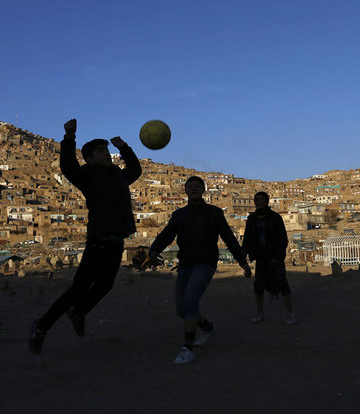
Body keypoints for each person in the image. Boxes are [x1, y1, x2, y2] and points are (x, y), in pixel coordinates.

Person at [28, 119, 142, 353]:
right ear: (89, 158)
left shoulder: (118, 176)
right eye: (102, 151)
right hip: (99, 239)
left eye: (107, 150)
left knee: (105, 285)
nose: (107, 154)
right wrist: (69, 137)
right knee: (78, 289)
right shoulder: (88, 175)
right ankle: (41, 326)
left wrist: (124, 147)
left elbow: (136, 170)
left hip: (117, 240)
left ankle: (78, 312)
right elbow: (68, 167)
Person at [149, 176, 251, 365]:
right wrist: (154, 250)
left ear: (204, 190)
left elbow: (229, 238)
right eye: (190, 186)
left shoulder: (214, 213)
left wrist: (242, 262)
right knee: (181, 309)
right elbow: (166, 234)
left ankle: (187, 348)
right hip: (186, 263)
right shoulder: (179, 215)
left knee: (190, 301)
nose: (194, 188)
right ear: (185, 191)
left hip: (205, 263)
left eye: (197, 186)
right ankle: (208, 327)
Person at [242, 191, 296, 325]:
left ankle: (290, 314)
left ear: (266, 202)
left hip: (275, 257)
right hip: (260, 258)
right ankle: (260, 313)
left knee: (282, 283)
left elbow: (282, 239)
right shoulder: (252, 219)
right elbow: (248, 238)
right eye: (256, 200)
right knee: (258, 285)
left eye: (261, 199)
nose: (258, 202)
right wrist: (245, 254)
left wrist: (278, 257)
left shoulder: (275, 218)